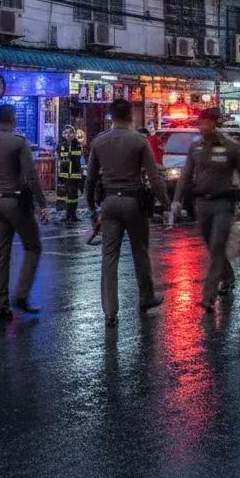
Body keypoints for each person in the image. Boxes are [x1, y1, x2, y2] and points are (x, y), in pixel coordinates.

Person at [86, 100, 170, 327]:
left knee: (109, 256)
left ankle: (110, 311)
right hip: (134, 202)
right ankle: (146, 297)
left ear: (110, 116)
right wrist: (167, 205)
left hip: (109, 203)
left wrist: (92, 209)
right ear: (131, 115)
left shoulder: (99, 141)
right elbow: (154, 178)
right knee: (140, 252)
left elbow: (91, 179)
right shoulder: (139, 141)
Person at [173, 107, 240, 312]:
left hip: (224, 205)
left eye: (206, 123)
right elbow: (185, 176)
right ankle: (228, 277)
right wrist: (176, 200)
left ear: (216, 124)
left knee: (218, 246)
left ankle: (208, 296)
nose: (202, 127)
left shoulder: (232, 147)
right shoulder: (196, 148)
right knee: (213, 248)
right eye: (200, 123)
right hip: (202, 205)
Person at [0, 103, 48, 321]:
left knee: (1, 254)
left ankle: (0, 305)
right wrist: (42, 204)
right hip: (15, 201)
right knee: (33, 246)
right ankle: (22, 295)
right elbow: (31, 175)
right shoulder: (19, 142)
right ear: (13, 119)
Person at [56, 124, 84, 224]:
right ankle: (68, 215)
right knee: (66, 197)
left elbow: (76, 157)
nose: (68, 135)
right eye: (66, 133)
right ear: (63, 134)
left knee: (73, 196)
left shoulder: (77, 144)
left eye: (70, 132)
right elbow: (59, 157)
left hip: (74, 175)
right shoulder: (61, 145)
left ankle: (73, 215)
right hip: (64, 175)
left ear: (74, 134)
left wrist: (68, 156)